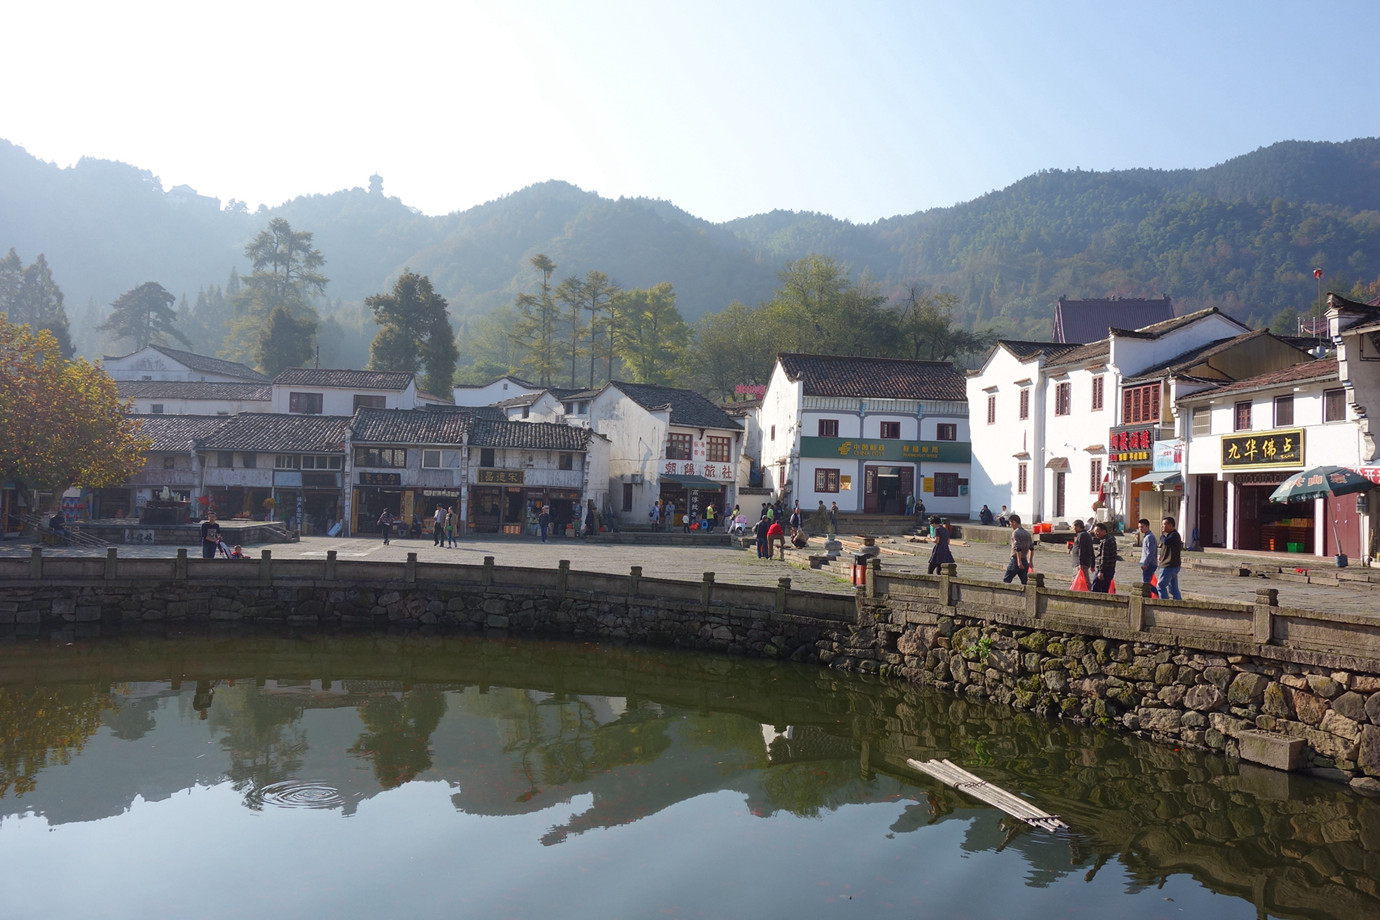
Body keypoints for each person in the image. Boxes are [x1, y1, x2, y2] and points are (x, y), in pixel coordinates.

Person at [1157, 516, 1184, 600]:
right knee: (1173, 588)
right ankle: (1178, 602)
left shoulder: (1174, 535)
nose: (1162, 526)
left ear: (1171, 525)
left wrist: (1161, 537)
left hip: (1169, 565)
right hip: (1170, 564)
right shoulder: (1169, 535)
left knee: (1160, 586)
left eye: (1164, 524)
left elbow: (1166, 542)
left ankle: (1164, 603)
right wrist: (1160, 556)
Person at [1002, 514, 1031, 585]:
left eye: (1010, 524)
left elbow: (1018, 547)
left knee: (1006, 580)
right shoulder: (1027, 533)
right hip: (1024, 560)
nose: (1010, 526)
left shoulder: (1016, 533)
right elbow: (1032, 548)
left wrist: (1018, 561)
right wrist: (1030, 561)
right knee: (1025, 582)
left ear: (1014, 522)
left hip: (1016, 560)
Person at [1091, 522, 1118, 593]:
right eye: (1095, 532)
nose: (1096, 534)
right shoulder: (1111, 539)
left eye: (1098, 532)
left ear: (1104, 531)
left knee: (1095, 588)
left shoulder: (1105, 541)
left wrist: (1101, 571)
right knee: (1105, 589)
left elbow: (1104, 557)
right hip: (1111, 568)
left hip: (1105, 569)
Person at [1070, 519, 1095, 588]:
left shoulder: (1082, 535)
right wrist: (1092, 563)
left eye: (1074, 527)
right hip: (1083, 562)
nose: (1073, 529)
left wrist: (1080, 563)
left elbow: (1082, 549)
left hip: (1080, 563)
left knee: (1082, 579)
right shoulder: (1087, 535)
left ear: (1078, 526)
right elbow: (1091, 550)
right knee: (1079, 579)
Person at [1137, 518, 1158, 587]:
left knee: (1146, 584)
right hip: (1148, 563)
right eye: (1139, 527)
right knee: (1147, 583)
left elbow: (1151, 552)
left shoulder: (1149, 537)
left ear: (1147, 527)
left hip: (1149, 564)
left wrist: (1146, 563)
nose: (1140, 529)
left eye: (1142, 527)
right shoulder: (1147, 536)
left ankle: (1159, 594)